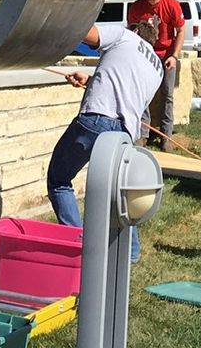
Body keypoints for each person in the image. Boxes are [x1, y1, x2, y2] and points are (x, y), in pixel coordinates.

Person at [46, 19, 165, 259]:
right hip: (123, 133)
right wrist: (90, 81)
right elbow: (126, 88)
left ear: (135, 30)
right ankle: (130, 255)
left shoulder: (124, 36)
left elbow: (85, 32)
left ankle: (76, 245)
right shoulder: (157, 68)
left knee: (59, 180)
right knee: (119, 196)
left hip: (95, 121)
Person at [126, 0, 185, 149]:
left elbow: (181, 31)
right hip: (145, 54)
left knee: (167, 94)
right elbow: (131, 31)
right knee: (143, 94)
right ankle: (143, 134)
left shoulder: (171, 5)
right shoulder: (137, 7)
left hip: (166, 54)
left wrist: (174, 56)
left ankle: (166, 136)